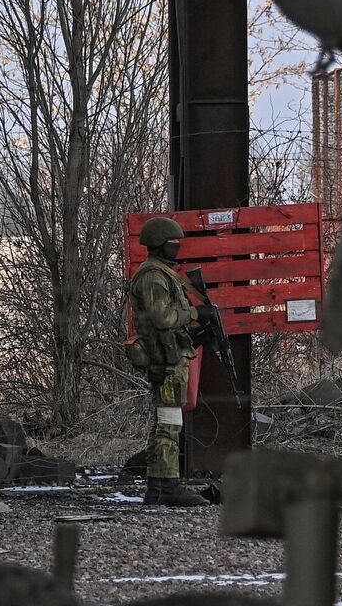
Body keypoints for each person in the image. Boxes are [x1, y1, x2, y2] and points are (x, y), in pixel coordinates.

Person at [127, 216, 210, 506]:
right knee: (168, 424)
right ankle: (167, 487)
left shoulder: (162, 273)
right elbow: (162, 318)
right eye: (174, 243)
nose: (178, 247)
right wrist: (194, 315)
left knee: (166, 421)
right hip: (165, 360)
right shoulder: (153, 277)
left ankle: (159, 485)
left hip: (170, 356)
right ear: (161, 244)